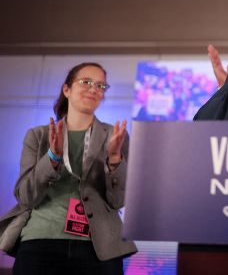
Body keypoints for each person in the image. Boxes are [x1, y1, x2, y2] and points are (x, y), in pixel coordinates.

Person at [0, 62, 137, 274]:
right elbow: (26, 196)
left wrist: (114, 159)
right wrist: (52, 157)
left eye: (101, 86)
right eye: (86, 82)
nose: (94, 89)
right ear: (67, 90)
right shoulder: (38, 135)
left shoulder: (116, 136)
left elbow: (118, 201)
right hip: (41, 240)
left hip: (98, 246)